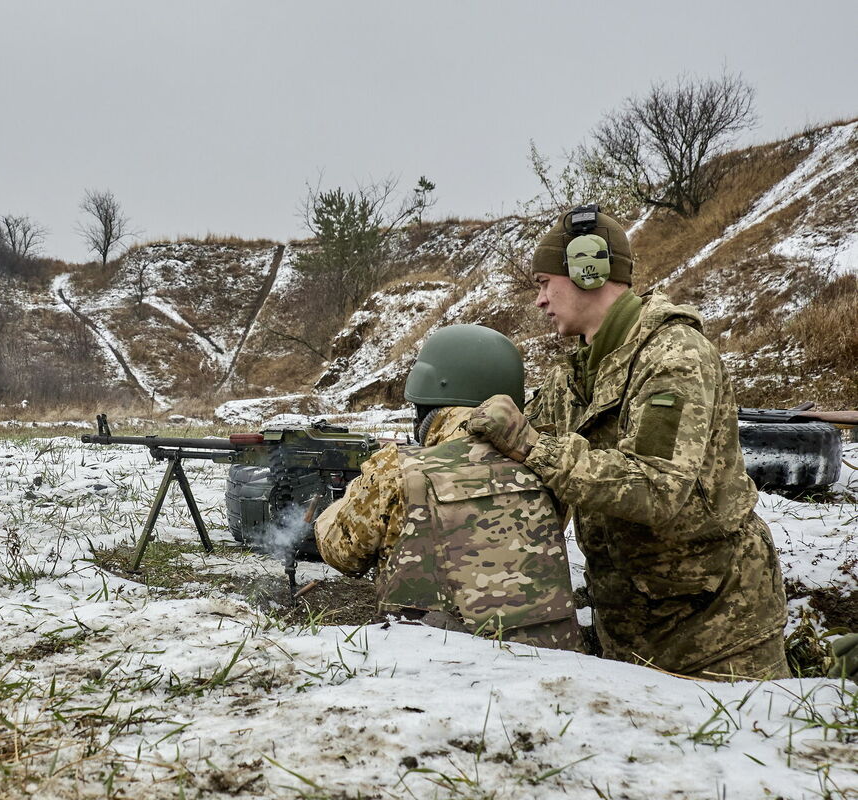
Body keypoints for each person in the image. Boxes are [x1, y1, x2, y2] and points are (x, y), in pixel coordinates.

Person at [467, 204, 790, 681]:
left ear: (587, 270)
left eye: (543, 282)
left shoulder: (674, 356)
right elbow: (516, 436)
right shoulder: (581, 371)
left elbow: (657, 488)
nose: (539, 301)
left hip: (717, 636)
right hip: (631, 629)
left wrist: (536, 447)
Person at [314, 324, 583, 650]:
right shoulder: (547, 460)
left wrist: (345, 501)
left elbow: (343, 554)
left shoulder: (395, 469)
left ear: (426, 405)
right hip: (554, 666)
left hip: (438, 667)